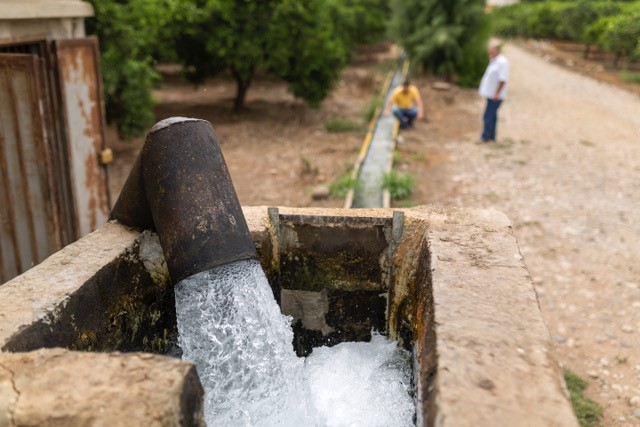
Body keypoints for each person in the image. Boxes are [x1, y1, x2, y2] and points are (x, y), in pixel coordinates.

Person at [478, 42, 510, 143]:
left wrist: (497, 93)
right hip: (491, 93)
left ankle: (485, 137)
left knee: (488, 116)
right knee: (492, 116)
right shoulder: (494, 60)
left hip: (495, 95)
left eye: (491, 50)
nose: (489, 52)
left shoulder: (502, 62)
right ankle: (492, 136)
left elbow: (503, 80)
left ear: (496, 50)